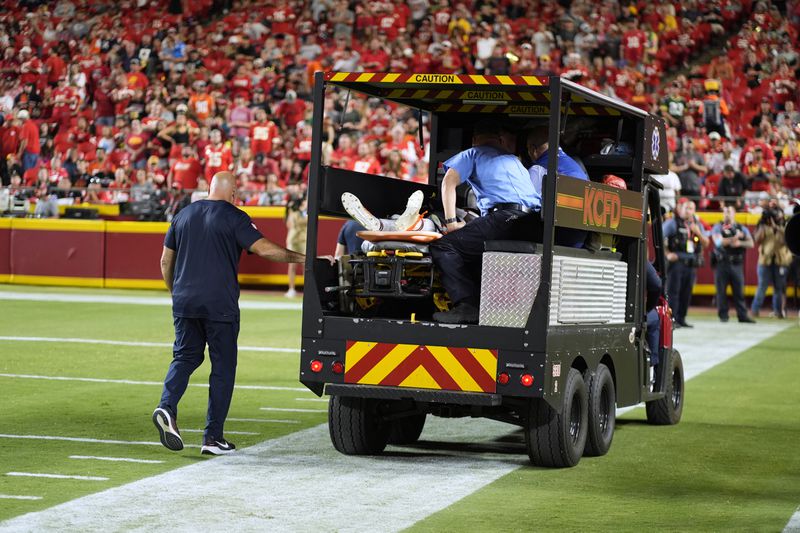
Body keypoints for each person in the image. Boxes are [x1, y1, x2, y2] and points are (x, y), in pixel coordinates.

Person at [153, 171, 306, 456]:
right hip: (219, 304)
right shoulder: (235, 216)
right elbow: (264, 249)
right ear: (233, 193)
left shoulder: (183, 215)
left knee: (185, 357)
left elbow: (165, 261)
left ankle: (167, 405)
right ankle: (213, 437)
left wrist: (177, 293)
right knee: (222, 368)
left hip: (184, 301)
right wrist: (303, 259)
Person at [430, 120, 542, 324]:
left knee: (445, 246)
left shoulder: (473, 153)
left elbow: (448, 182)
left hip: (504, 218)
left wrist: (451, 222)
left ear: (474, 140)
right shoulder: (515, 161)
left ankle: (467, 306)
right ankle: (485, 304)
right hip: (533, 222)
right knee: (474, 250)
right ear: (500, 140)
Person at [526, 127, 589, 247]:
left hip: (556, 237)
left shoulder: (538, 169)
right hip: (579, 237)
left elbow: (526, 203)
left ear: (533, 149)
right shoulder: (576, 165)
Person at [663, 199, 709, 328]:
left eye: (691, 209)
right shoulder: (672, 223)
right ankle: (671, 320)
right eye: (686, 208)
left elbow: (706, 243)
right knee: (673, 292)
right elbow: (659, 238)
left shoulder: (696, 225)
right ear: (680, 209)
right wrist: (667, 254)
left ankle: (681, 318)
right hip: (677, 263)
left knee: (686, 293)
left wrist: (698, 232)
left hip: (691, 263)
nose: (688, 211)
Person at [711, 205, 756, 323]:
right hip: (722, 263)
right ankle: (723, 315)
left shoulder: (741, 227)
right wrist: (734, 238)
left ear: (734, 213)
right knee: (721, 291)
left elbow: (751, 243)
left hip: (736, 263)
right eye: (725, 211)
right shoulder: (718, 226)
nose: (726, 214)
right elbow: (718, 242)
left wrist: (740, 242)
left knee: (739, 291)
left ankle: (742, 315)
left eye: (729, 211)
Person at [750, 204, 792, 319]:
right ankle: (755, 310)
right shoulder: (764, 225)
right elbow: (757, 239)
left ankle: (778, 311)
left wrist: (776, 227)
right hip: (765, 260)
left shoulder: (786, 226)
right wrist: (763, 226)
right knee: (762, 286)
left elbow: (786, 240)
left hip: (780, 260)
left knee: (779, 288)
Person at [285, 181, 308, 298]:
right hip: (294, 239)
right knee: (292, 265)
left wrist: (303, 210)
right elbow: (289, 223)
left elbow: (306, 221)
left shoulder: (306, 207)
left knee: (305, 265)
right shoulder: (292, 208)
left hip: (303, 238)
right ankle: (291, 289)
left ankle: (307, 290)